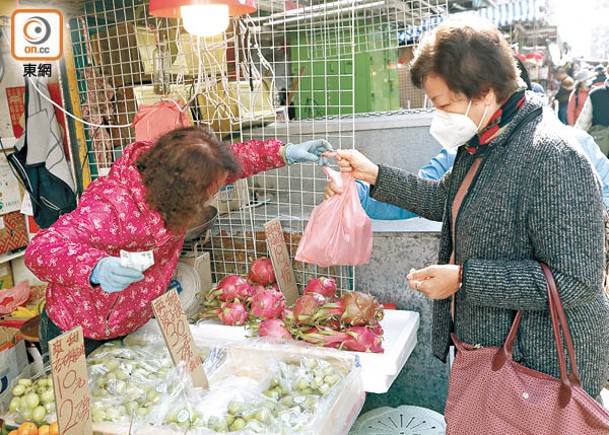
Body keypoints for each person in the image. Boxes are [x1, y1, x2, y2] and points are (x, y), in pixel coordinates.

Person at [329, 17, 609, 402]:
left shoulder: (552, 156)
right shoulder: (482, 143)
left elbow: (577, 281)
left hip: (539, 370)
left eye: (443, 104)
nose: (438, 116)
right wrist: (373, 174)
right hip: (491, 358)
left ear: (485, 92)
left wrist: (464, 279)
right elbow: (443, 199)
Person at [25, 126, 332, 356]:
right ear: (181, 192)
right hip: (78, 329)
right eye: (207, 192)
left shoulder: (179, 174)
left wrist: (284, 152)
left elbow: (236, 161)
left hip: (132, 321)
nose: (214, 193)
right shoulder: (112, 206)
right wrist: (95, 268)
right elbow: (41, 249)